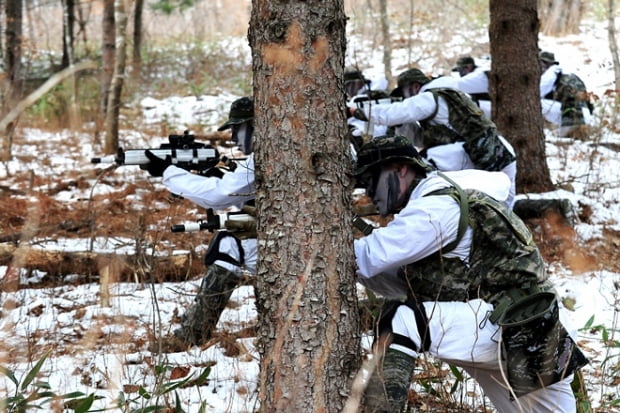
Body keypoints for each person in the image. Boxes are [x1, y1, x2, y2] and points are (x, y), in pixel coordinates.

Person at [353, 136, 588, 413]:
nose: (369, 193)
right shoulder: (443, 195)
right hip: (534, 330)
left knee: (402, 319)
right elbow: (406, 281)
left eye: (371, 180)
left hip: (509, 330)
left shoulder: (434, 209)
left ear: (400, 168)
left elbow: (364, 258)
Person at [142, 96, 257, 345]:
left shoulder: (263, 158)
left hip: (290, 245)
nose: (234, 138)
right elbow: (246, 196)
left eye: (238, 129)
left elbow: (220, 195)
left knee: (228, 245)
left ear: (254, 125)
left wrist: (169, 172)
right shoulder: (269, 156)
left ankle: (192, 335)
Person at [350, 67, 517, 208]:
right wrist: (402, 125)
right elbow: (427, 138)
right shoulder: (453, 95)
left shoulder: (429, 98)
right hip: (501, 154)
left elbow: (396, 112)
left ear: (415, 87)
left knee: (424, 166)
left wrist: (356, 111)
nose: (405, 97)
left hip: (478, 157)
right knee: (502, 210)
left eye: (404, 92)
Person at [539, 50, 594, 137]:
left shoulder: (552, 72)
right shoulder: (566, 71)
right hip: (585, 115)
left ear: (546, 63)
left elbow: (537, 94)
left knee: (535, 103)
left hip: (571, 116)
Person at [345, 67, 390, 141]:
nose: (349, 90)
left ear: (360, 83)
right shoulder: (355, 99)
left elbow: (377, 127)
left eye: (351, 85)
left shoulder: (375, 96)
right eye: (347, 87)